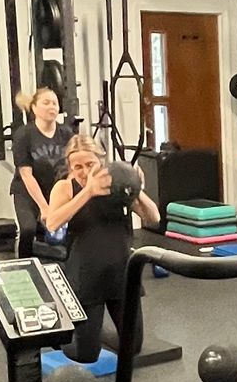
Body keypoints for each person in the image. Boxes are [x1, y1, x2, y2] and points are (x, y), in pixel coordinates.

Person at [44, 131, 161, 365]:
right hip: (86, 276)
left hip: (121, 273)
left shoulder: (116, 187)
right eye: (77, 166)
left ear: (101, 162)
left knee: (133, 348)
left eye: (90, 164)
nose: (84, 171)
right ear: (69, 166)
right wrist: (88, 191)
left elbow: (154, 218)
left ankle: (95, 333)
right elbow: (52, 222)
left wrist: (137, 188)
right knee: (86, 355)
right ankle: (59, 334)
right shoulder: (64, 188)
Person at [11, 83, 73, 256]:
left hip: (56, 190)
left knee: (74, 229)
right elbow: (26, 174)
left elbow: (73, 168)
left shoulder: (66, 133)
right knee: (28, 230)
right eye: (46, 102)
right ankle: (23, 266)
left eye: (54, 103)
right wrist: (45, 208)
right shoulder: (24, 135)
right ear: (34, 108)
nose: (51, 106)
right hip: (27, 192)